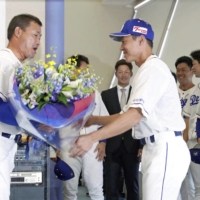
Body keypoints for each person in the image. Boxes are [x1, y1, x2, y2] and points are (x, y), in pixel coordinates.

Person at [69, 18, 190, 200]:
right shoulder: (145, 70)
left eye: (124, 41)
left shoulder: (153, 69)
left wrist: (92, 137)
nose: (121, 47)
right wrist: (93, 120)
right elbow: (124, 115)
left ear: (141, 40)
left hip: (164, 148)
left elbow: (133, 117)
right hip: (156, 148)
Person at [0, 14, 42, 200]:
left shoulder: (17, 66)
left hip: (9, 142)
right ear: (18, 32)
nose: (38, 42)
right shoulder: (4, 62)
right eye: (35, 35)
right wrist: (35, 122)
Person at [59, 54, 109, 200]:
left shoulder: (94, 92)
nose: (86, 73)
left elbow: (103, 119)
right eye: (83, 70)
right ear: (72, 70)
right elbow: (54, 123)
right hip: (69, 144)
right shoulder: (61, 93)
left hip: (92, 144)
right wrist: (56, 146)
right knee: (69, 189)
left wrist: (103, 142)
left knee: (96, 188)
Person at [101, 59, 142, 200]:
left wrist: (142, 145)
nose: (123, 75)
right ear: (116, 74)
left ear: (131, 73)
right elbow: (102, 121)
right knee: (111, 185)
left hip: (133, 145)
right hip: (112, 146)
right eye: (120, 72)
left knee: (133, 184)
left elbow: (142, 121)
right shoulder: (106, 95)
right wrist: (102, 142)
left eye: (126, 72)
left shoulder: (138, 95)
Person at [175, 56, 195, 200]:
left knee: (193, 186)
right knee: (176, 185)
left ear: (192, 71)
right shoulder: (171, 93)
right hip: (174, 144)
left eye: (184, 70)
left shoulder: (197, 92)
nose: (180, 73)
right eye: (178, 70)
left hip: (193, 145)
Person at [183, 50, 200, 200]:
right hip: (191, 145)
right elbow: (187, 117)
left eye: (194, 64)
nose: (192, 68)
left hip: (198, 143)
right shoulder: (195, 90)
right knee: (191, 188)